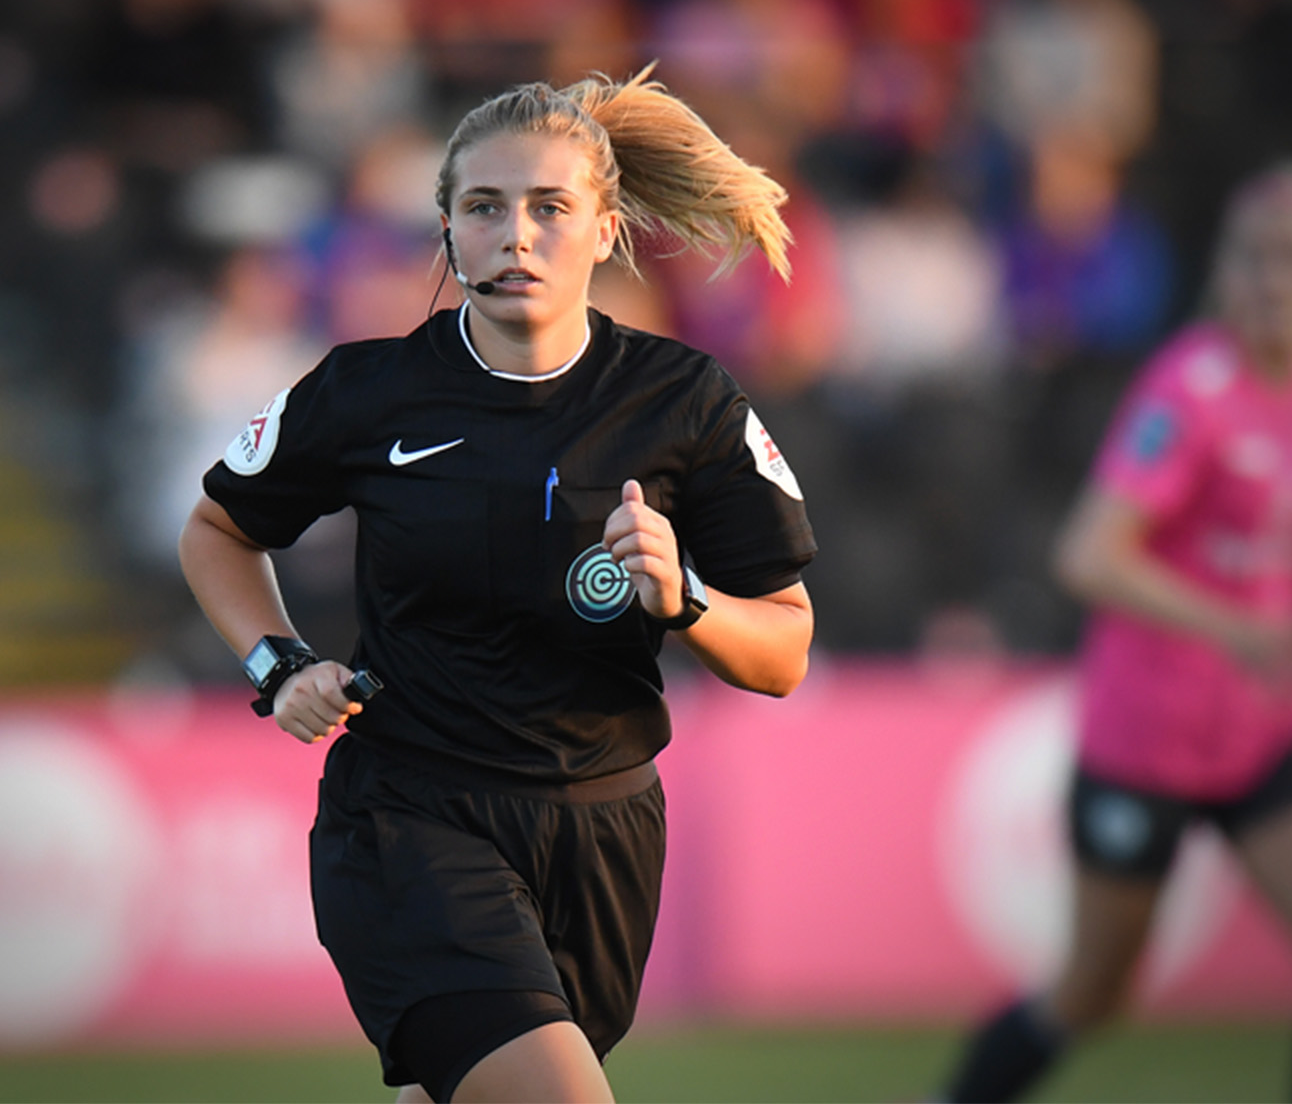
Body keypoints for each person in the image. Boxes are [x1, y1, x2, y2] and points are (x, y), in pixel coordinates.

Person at [179, 69, 818, 1104]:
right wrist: (278, 660)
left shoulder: (686, 401)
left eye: (550, 207)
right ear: (446, 232)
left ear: (605, 230)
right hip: (408, 818)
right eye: (484, 207)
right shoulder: (365, 390)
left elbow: (784, 649)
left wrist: (687, 597)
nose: (516, 233)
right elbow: (217, 530)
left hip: (604, 833)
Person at [934, 163, 1292, 1104]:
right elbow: (1089, 554)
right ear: (1223, 274)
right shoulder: (1188, 392)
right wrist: (1238, 627)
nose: (1273, 280)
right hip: (1145, 740)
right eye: (1253, 259)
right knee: (1093, 997)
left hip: (1262, 732)